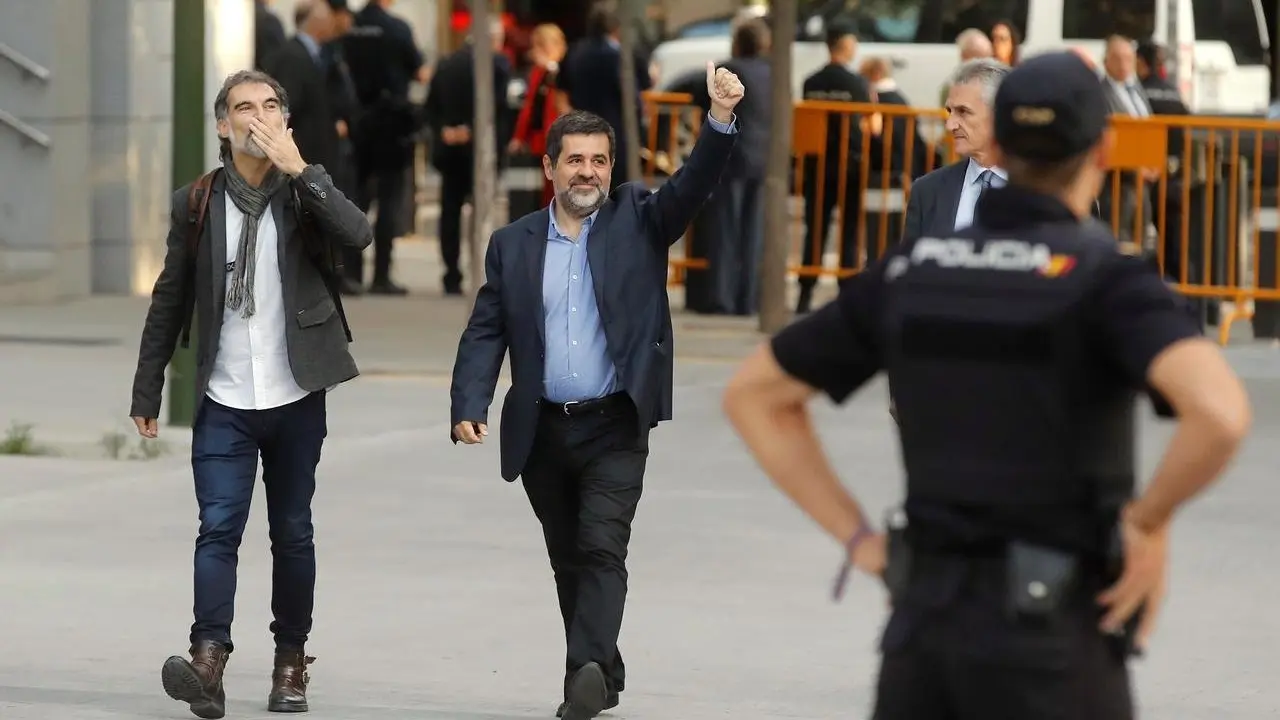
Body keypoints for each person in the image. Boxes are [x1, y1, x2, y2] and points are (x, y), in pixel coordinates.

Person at [722, 51, 1250, 719]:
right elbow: (1221, 413)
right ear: (1104, 149)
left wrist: (861, 541)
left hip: (925, 637)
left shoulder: (914, 268)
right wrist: (1148, 522)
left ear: (999, 143)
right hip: (1052, 642)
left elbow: (754, 395)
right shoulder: (1104, 278)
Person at [449, 63, 743, 720]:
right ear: (550, 168)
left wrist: (719, 118)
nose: (588, 171)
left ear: (612, 168)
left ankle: (580, 674)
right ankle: (601, 668)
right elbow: (486, 327)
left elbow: (693, 185)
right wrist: (469, 402)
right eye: (575, 160)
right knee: (568, 560)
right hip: (543, 430)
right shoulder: (514, 244)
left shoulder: (641, 219)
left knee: (602, 547)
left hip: (616, 422)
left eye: (600, 161)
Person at [129, 69, 372, 719]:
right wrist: (148, 385)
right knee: (218, 528)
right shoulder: (197, 202)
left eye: (269, 108)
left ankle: (291, 661)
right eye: (243, 108)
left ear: (284, 122)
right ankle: (207, 661)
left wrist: (304, 170)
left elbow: (359, 236)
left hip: (296, 390)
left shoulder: (303, 193)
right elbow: (170, 295)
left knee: (292, 533)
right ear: (222, 125)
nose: (256, 117)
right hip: (226, 395)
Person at [343, 0, 428, 295]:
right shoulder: (397, 29)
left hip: (357, 122)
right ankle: (381, 274)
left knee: (355, 198)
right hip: (391, 123)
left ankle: (351, 271)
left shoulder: (349, 27)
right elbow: (420, 71)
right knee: (390, 200)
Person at [423, 17, 512, 295]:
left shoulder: (447, 64)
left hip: (450, 150)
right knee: (481, 211)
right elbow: (498, 110)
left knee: (450, 210)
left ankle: (451, 272)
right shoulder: (496, 66)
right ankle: (479, 267)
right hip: (481, 151)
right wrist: (473, 131)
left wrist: (446, 131)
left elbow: (430, 107)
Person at [794, 22, 874, 313]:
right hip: (849, 167)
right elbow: (868, 125)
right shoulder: (857, 84)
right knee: (850, 231)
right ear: (846, 44)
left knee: (814, 231)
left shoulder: (811, 82)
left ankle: (805, 294)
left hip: (817, 166)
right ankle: (848, 294)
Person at [903, 58, 1010, 243]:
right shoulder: (927, 192)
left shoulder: (1044, 192)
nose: (950, 124)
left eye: (963, 112)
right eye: (950, 111)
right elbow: (912, 267)